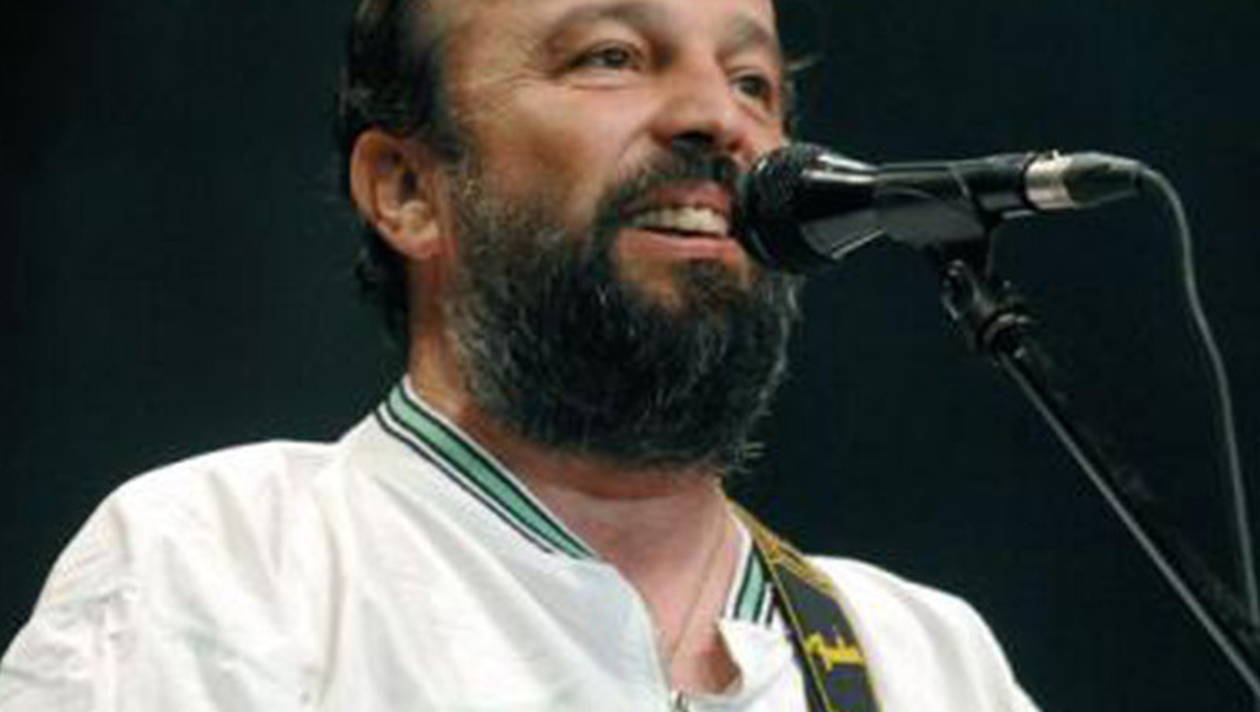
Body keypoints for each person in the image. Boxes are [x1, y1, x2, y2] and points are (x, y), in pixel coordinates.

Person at [0, 0, 1040, 709]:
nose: (716, 118)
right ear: (408, 189)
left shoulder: (923, 662)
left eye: (753, 80)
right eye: (610, 57)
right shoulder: (225, 566)